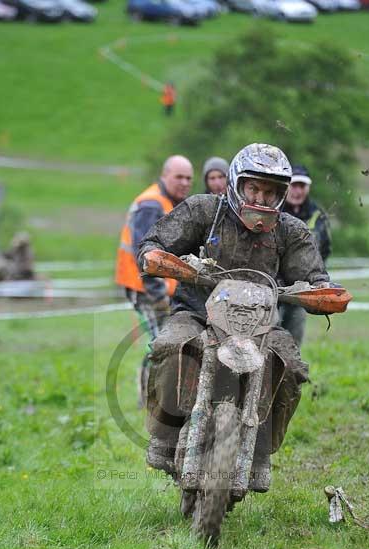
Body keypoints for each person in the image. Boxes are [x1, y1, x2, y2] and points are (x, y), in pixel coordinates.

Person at [138, 143, 330, 493]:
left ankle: (259, 452)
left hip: (259, 325)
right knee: (170, 346)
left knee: (289, 365)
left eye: (270, 191)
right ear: (237, 184)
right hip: (197, 311)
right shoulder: (204, 210)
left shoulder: (290, 230)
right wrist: (155, 255)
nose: (260, 197)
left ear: (282, 194)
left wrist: (323, 290)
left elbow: (314, 274)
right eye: (254, 188)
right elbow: (155, 239)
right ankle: (165, 435)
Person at [115, 155, 193, 404]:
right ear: (164, 175)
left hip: (157, 287)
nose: (184, 183)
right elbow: (145, 256)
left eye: (188, 178)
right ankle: (150, 397)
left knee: (163, 340)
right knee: (164, 342)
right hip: (145, 287)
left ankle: (154, 396)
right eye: (178, 177)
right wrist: (157, 294)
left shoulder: (170, 202)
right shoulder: (152, 204)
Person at [280, 164, 331, 346]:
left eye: (302, 186)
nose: (297, 191)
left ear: (308, 188)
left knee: (293, 343)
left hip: (302, 291)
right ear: (286, 186)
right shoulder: (274, 210)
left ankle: (289, 374)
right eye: (294, 185)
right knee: (268, 338)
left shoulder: (318, 215)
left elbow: (325, 249)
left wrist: (315, 279)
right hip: (274, 287)